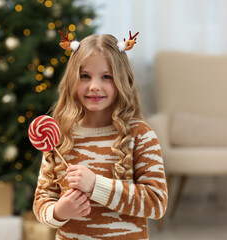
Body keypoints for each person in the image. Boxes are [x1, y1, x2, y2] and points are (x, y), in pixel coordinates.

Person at [33, 30, 168, 240]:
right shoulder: (58, 136)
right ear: (72, 80)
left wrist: (96, 185)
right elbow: (42, 200)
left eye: (107, 77)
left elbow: (157, 203)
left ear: (122, 80)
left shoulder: (140, 135)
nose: (94, 86)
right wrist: (60, 211)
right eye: (84, 76)